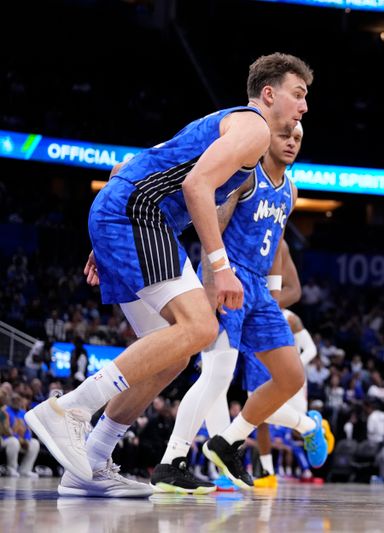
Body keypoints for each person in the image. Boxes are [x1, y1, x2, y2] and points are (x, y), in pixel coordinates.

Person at [31, 53, 312, 498]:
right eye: (298, 95)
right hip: (138, 218)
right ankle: (70, 409)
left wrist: (103, 238)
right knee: (199, 326)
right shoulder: (254, 127)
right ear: (269, 94)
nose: (303, 107)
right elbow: (195, 187)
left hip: (126, 218)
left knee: (175, 354)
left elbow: (128, 167)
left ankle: (92, 460)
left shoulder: (230, 125)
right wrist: (220, 268)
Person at [149, 121, 328, 493]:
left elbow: (277, 245)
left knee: (291, 376)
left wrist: (274, 300)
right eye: (285, 136)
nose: (292, 143)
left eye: (298, 138)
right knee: (218, 373)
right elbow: (214, 224)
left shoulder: (290, 191)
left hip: (260, 289)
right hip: (228, 276)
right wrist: (212, 285)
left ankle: (228, 441)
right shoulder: (247, 177)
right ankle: (172, 460)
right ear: (268, 139)